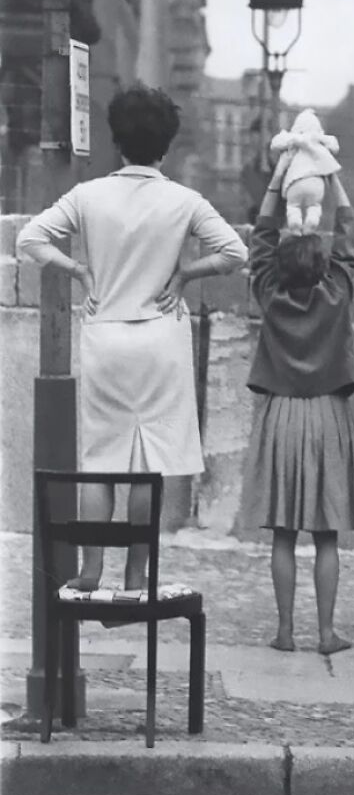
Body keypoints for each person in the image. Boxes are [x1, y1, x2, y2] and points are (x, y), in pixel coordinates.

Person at [16, 85, 248, 591]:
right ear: (166, 144)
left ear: (117, 140)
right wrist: (185, 274)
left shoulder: (88, 196)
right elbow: (234, 253)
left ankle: (91, 569)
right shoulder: (184, 201)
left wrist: (79, 270)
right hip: (161, 336)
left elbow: (29, 238)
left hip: (106, 334)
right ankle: (137, 573)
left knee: (101, 459)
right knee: (150, 461)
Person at [240, 157, 354, 656]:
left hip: (281, 415)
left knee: (284, 535)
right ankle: (326, 633)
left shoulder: (269, 295)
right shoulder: (337, 295)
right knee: (327, 536)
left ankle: (285, 631)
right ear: (323, 267)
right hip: (327, 415)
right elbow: (349, 235)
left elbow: (261, 239)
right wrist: (332, 175)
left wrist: (277, 181)